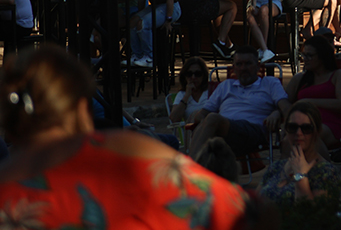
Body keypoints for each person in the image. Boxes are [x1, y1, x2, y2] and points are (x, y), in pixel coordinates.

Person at [0, 44, 247, 229]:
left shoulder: (9, 189)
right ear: (82, 109)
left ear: (8, 126)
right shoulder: (129, 154)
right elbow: (238, 207)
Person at [188, 46, 289, 159]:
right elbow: (201, 114)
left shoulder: (269, 83)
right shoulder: (226, 86)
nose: (243, 68)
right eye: (239, 64)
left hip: (253, 132)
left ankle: (189, 165)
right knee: (205, 123)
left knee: (212, 119)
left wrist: (277, 112)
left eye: (248, 64)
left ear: (258, 66)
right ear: (234, 68)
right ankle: (194, 164)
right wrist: (207, 124)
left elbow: (286, 108)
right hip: (224, 131)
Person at [257, 101, 341, 205]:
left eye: (306, 128)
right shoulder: (276, 167)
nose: (298, 133)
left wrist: (300, 177)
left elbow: (314, 212)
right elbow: (254, 203)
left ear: (316, 131)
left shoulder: (326, 172)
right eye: (292, 127)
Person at [285, 36, 341, 146]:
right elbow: (284, 100)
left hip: (331, 126)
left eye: (309, 55)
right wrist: (277, 113)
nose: (304, 59)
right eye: (303, 55)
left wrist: (308, 102)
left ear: (322, 56)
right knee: (289, 138)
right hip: (302, 124)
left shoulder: (338, 75)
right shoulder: (299, 79)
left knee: (308, 134)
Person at [128, 0, 181, 68]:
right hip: (155, 6)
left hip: (171, 7)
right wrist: (140, 14)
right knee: (132, 21)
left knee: (143, 23)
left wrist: (168, 19)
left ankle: (149, 57)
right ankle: (137, 55)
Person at [169, 56, 209, 123]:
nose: (193, 77)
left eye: (198, 74)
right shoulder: (182, 95)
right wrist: (186, 96)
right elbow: (173, 119)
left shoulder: (210, 92)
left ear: (204, 76)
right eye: (189, 74)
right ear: (184, 76)